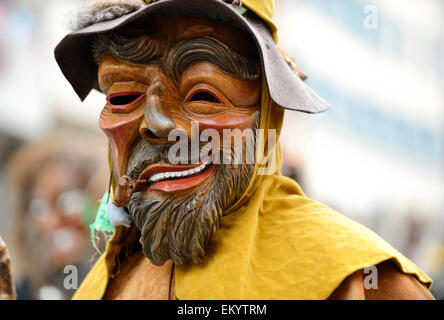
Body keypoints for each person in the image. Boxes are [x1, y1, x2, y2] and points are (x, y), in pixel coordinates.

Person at [54, 0, 434, 299]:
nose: (155, 124)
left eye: (202, 95)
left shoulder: (358, 281)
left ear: (266, 114)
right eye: (124, 96)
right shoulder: (106, 281)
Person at [6, 133, 107, 299]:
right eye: (39, 209)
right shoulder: (22, 291)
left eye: (66, 201)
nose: (52, 222)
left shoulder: (120, 280)